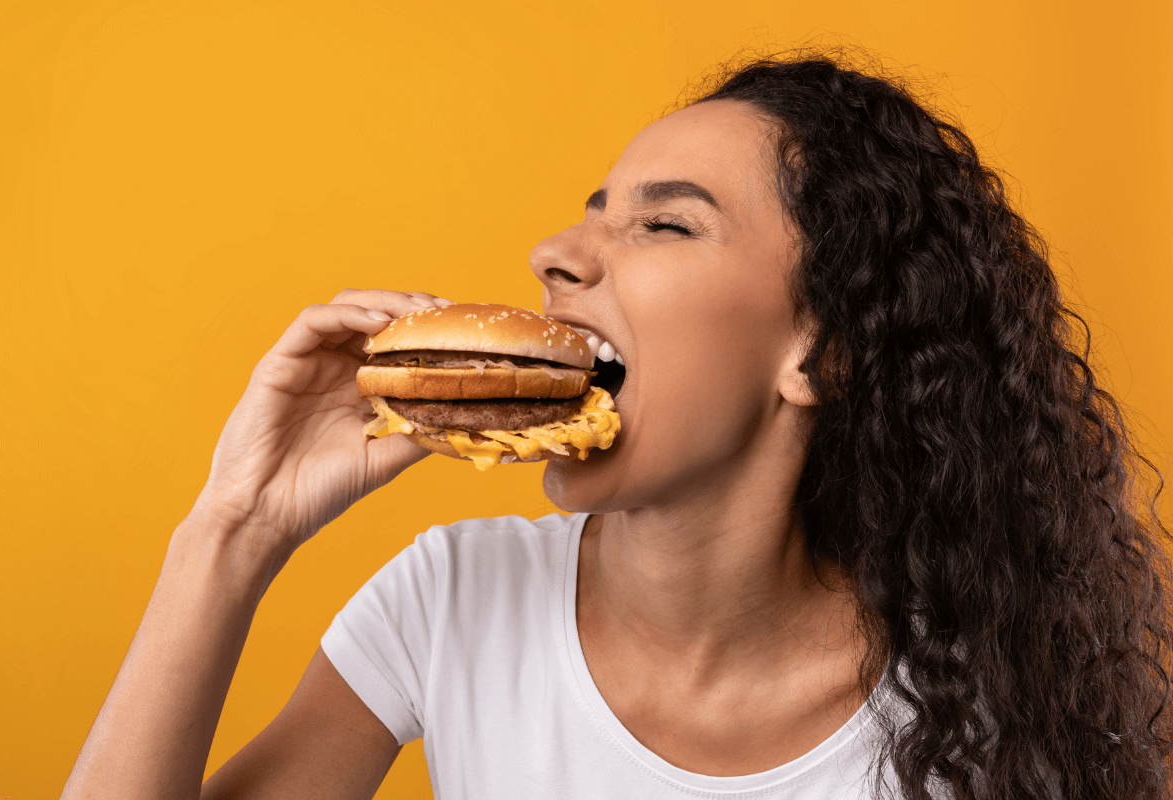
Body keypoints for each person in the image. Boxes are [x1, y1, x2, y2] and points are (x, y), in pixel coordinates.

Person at [62, 52, 1173, 800]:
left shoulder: (984, 698)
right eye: (593, 213)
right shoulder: (452, 598)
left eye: (665, 225)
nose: (555, 254)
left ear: (819, 350)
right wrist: (234, 528)